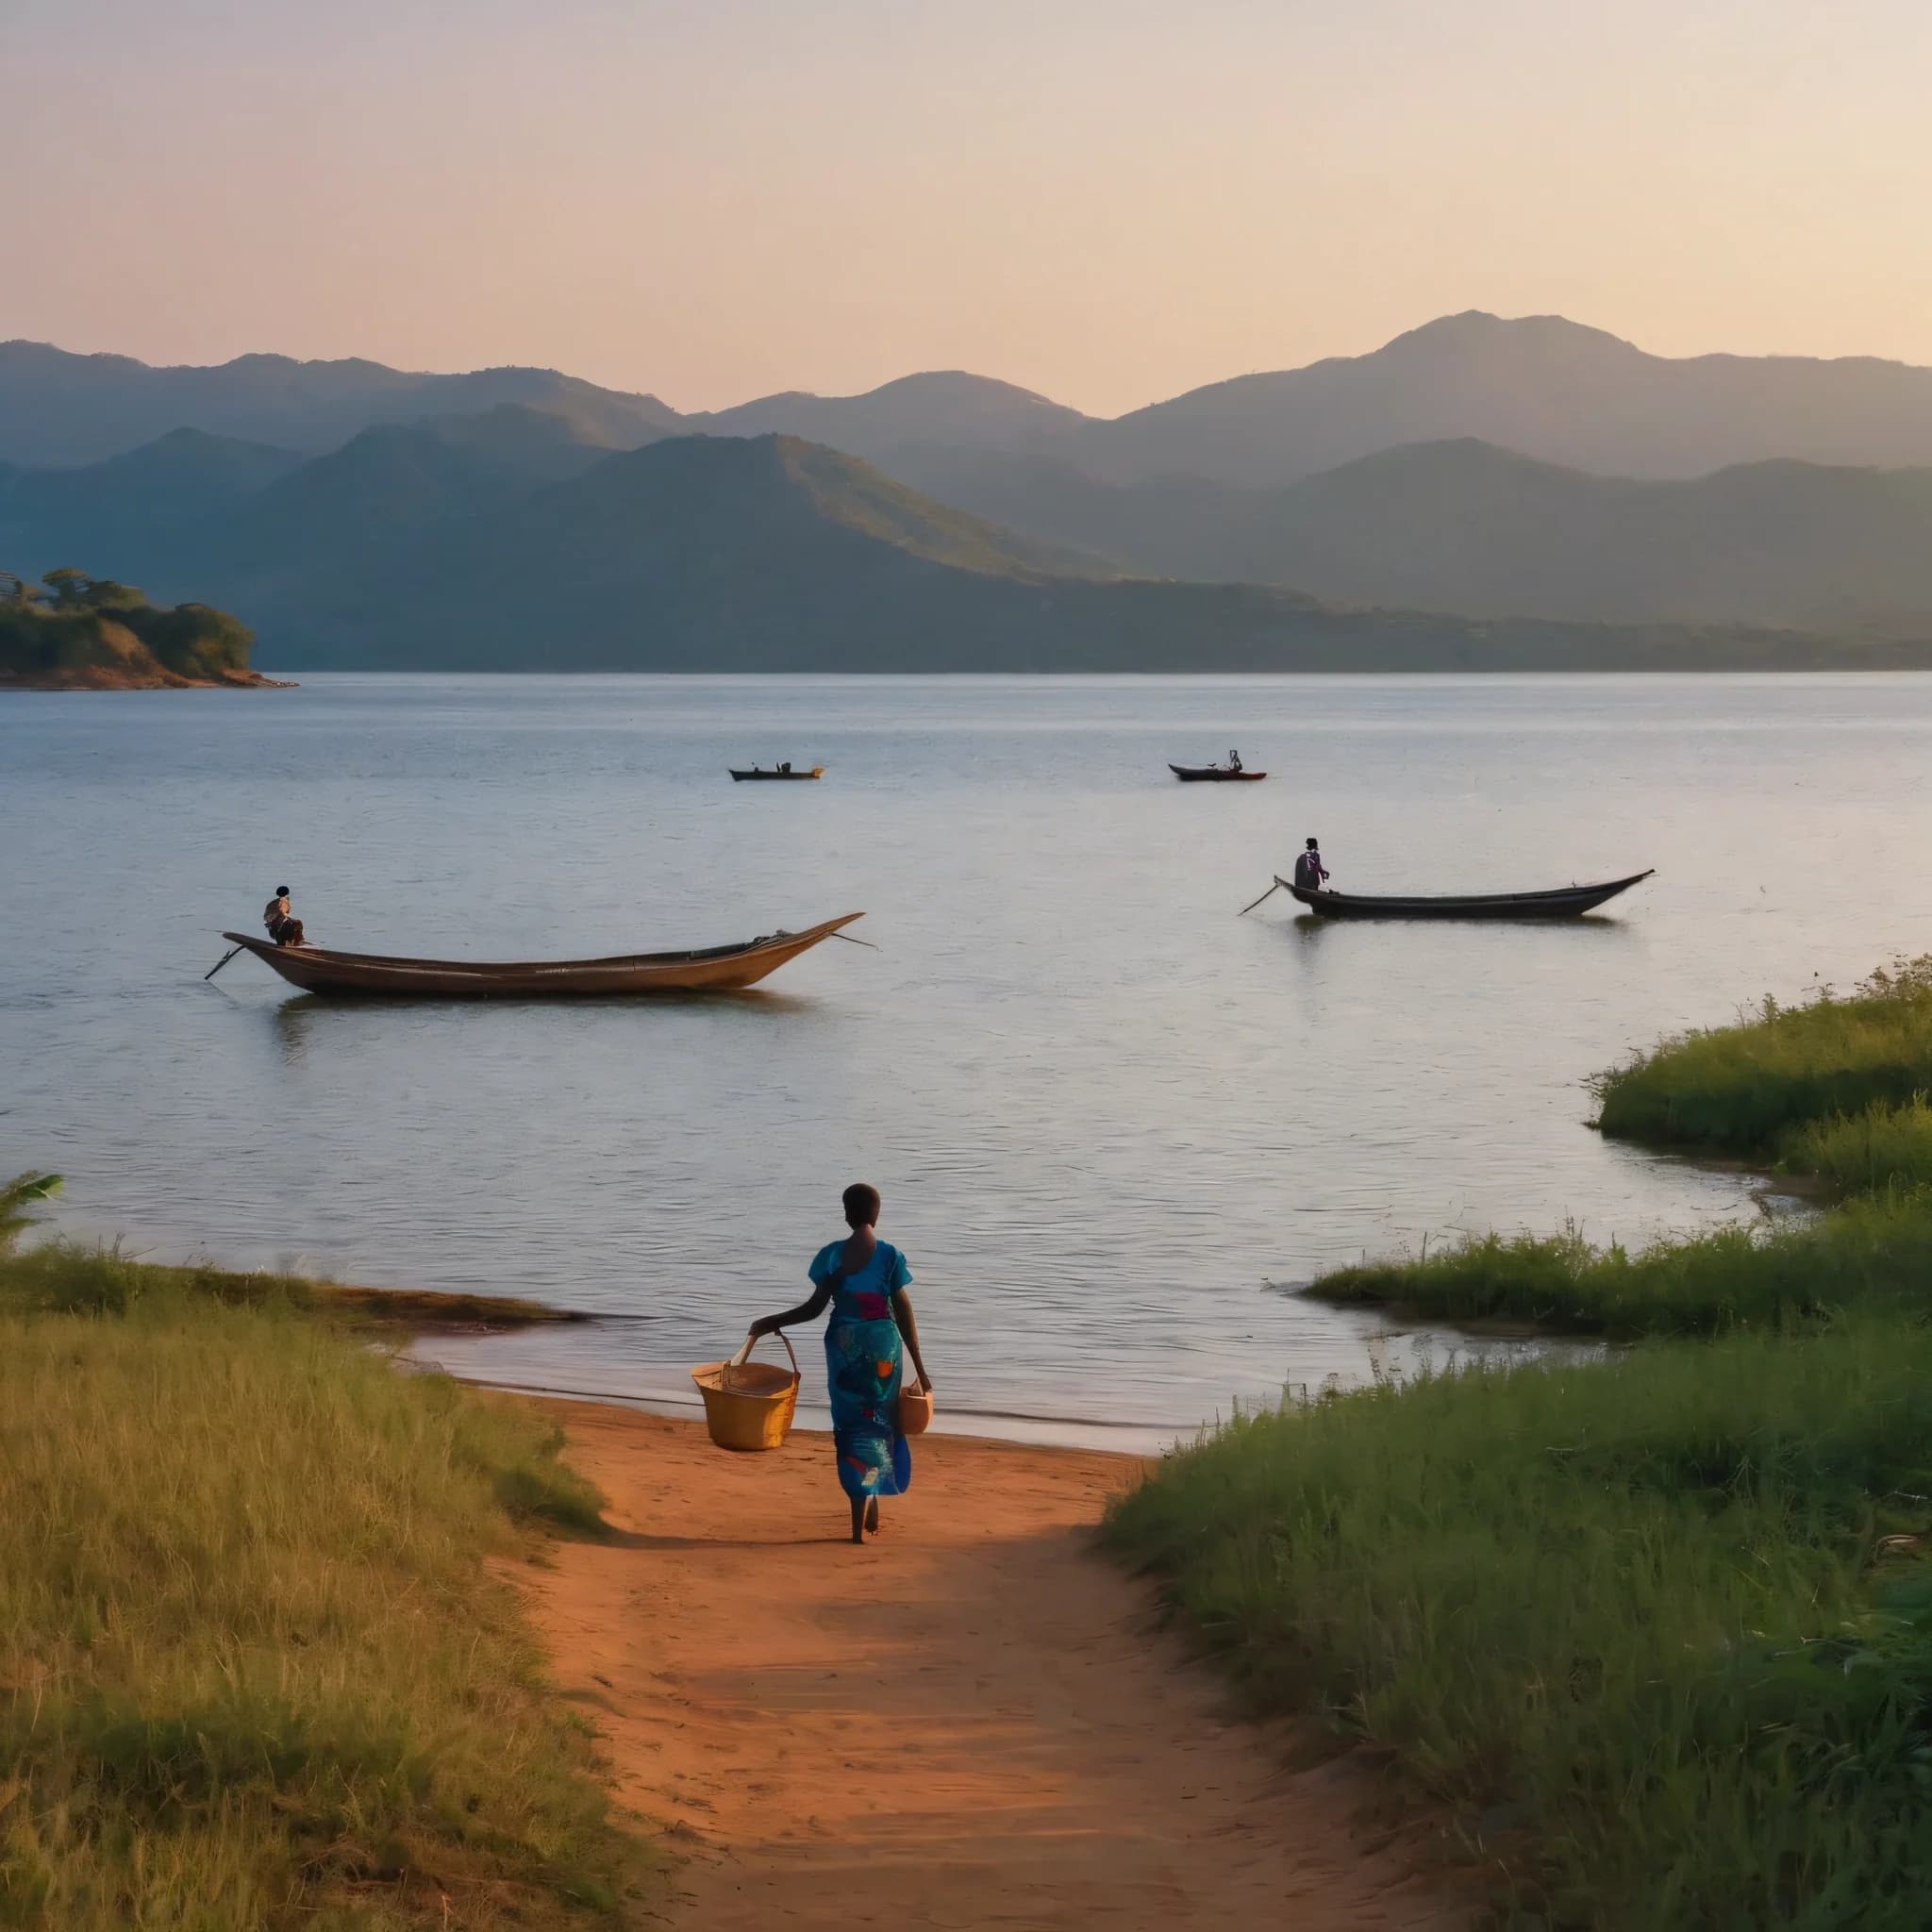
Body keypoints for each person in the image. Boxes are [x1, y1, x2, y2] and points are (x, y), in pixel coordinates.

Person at [747, 1182, 933, 1545]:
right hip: (884, 1351)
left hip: (846, 1352)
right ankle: (874, 1497)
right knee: (880, 1424)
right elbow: (906, 1315)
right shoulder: (891, 1256)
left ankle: (856, 1522)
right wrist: (920, 1369)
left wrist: (770, 1322)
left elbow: (813, 1309)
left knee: (852, 1431)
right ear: (876, 1215)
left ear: (847, 1214)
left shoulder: (832, 1257)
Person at [261, 884, 307, 948]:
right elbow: (282, 913)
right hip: (280, 925)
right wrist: (290, 919)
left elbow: (268, 916)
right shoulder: (283, 901)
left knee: (289, 924)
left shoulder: (272, 903)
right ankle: (296, 943)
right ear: (287, 893)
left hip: (272, 927)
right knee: (298, 923)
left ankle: (284, 944)